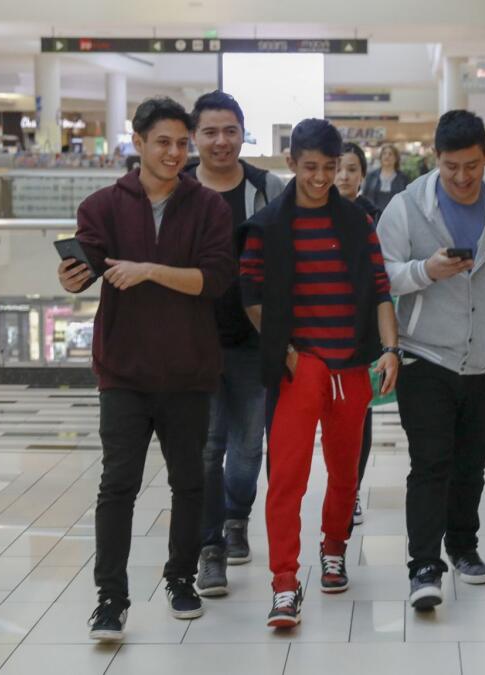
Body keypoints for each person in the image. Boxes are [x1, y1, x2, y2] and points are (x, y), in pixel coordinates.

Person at [56, 97, 234, 641]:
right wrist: (72, 279)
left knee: (189, 482)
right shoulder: (103, 206)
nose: (176, 153)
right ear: (138, 143)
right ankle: (111, 598)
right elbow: (84, 270)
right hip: (124, 372)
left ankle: (180, 578)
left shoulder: (208, 208)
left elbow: (214, 280)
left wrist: (150, 270)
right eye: (164, 142)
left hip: (188, 369)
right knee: (118, 485)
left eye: (183, 143)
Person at [239, 118, 400, 629]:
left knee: (345, 471)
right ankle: (284, 584)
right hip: (298, 368)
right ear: (291, 163)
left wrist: (391, 349)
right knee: (286, 478)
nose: (321, 178)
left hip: (352, 366)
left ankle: (334, 548)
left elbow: (380, 288)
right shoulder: (267, 224)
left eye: (329, 168)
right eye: (310, 167)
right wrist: (287, 354)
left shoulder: (357, 222)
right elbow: (251, 296)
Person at [377, 110, 485, 610]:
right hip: (425, 356)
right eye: (450, 167)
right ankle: (424, 564)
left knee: (472, 464)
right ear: (434, 161)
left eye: (471, 165)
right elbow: (384, 278)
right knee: (430, 463)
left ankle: (463, 545)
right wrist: (427, 270)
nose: (461, 177)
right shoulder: (405, 208)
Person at [183, 90, 285, 598]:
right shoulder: (176, 190)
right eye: (210, 132)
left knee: (247, 450)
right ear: (194, 137)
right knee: (206, 450)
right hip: (193, 345)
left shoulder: (267, 188)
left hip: (253, 343)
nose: (221, 141)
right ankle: (210, 549)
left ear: (242, 133)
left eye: (230, 130)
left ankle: (236, 517)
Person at [334, 141, 388, 527]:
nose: (342, 176)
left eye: (351, 169)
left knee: (358, 416)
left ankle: (351, 491)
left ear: (362, 176)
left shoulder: (375, 218)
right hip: (318, 331)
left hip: (360, 333)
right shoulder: (308, 213)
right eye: (338, 168)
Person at [363, 144, 410, 212]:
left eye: (390, 154)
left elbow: (406, 199)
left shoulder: (403, 178)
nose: (387, 156)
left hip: (395, 216)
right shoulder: (371, 176)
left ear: (396, 158)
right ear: (381, 157)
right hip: (374, 216)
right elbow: (365, 197)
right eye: (384, 153)